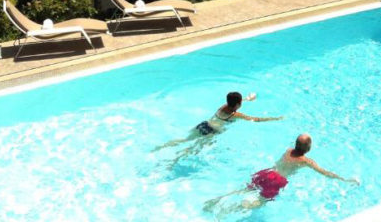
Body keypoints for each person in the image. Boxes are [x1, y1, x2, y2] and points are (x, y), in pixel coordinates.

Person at [204, 133, 359, 212]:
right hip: (277, 180)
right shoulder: (306, 161)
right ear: (308, 148)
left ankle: (217, 200)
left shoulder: (288, 150)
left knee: (246, 189)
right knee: (261, 202)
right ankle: (229, 210)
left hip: (267, 172)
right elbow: (324, 172)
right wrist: (344, 179)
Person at [153, 91, 282, 153]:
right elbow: (255, 119)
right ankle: (174, 162)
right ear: (238, 104)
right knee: (193, 149)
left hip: (203, 124)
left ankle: (162, 147)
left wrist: (249, 99)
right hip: (211, 132)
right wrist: (275, 119)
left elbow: (236, 102)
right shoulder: (235, 115)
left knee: (185, 140)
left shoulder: (224, 106)